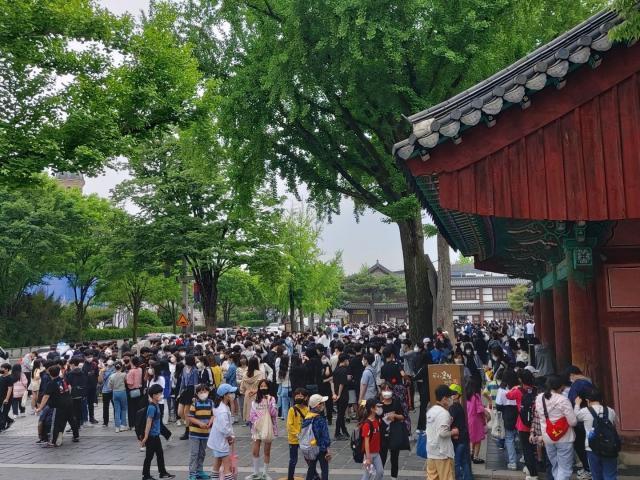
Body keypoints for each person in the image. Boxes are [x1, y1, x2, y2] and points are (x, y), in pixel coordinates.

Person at [532, 375, 577, 480]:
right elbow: (573, 421)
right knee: (564, 468)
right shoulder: (563, 400)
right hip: (564, 437)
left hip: (548, 436)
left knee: (555, 466)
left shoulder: (539, 398)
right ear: (561, 386)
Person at [574, 387, 619, 480]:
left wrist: (577, 404)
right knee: (610, 475)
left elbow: (575, 419)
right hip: (609, 446)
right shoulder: (610, 410)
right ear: (601, 399)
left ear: (587, 400)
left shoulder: (584, 411)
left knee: (596, 475)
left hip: (591, 447)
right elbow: (615, 422)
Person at [36, 364, 79, 447]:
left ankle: (52, 441)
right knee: (71, 419)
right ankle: (76, 436)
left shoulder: (51, 383)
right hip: (69, 402)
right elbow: (69, 388)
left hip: (58, 405)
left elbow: (46, 396)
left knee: (55, 423)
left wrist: (40, 408)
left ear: (49, 373)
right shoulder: (63, 380)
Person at [506, 369, 538, 480]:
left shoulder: (518, 391)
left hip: (523, 424)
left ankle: (533, 474)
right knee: (533, 448)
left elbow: (508, 395)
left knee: (526, 449)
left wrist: (514, 387)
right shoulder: (536, 390)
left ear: (520, 380)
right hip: (536, 424)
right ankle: (530, 468)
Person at [140, 384, 176, 480]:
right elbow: (148, 422)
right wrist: (146, 437)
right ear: (154, 395)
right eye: (159, 393)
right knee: (149, 456)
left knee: (159, 454)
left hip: (156, 435)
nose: (161, 395)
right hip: (151, 437)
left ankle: (162, 472)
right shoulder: (152, 407)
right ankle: (146, 475)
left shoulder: (156, 405)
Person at [426, 385, 457, 480]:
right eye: (449, 397)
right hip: (443, 454)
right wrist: (453, 432)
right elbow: (442, 433)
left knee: (432, 477)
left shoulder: (431, 411)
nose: (451, 399)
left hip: (431, 452)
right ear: (444, 399)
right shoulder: (444, 413)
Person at [248, 379, 277, 479]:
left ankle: (265, 473)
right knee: (255, 450)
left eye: (265, 386)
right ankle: (256, 472)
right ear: (259, 388)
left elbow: (274, 414)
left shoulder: (272, 399)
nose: (263, 388)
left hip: (268, 427)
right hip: (257, 428)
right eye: (261, 386)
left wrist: (269, 402)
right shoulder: (255, 400)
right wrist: (258, 422)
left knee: (267, 451)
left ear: (268, 387)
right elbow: (251, 415)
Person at [208, 383, 237, 480]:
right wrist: (230, 437)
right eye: (231, 393)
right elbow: (225, 428)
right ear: (225, 395)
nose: (233, 394)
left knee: (217, 464)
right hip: (221, 441)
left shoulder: (221, 407)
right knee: (227, 466)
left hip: (217, 441)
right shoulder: (223, 410)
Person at [378, 382, 407, 480]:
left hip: (394, 433)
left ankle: (394, 477)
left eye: (388, 389)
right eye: (384, 389)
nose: (386, 391)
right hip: (382, 435)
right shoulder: (378, 405)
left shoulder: (396, 402)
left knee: (394, 458)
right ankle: (379, 476)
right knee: (381, 457)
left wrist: (395, 416)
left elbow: (403, 416)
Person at [187, 384, 215, 480]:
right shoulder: (194, 404)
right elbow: (190, 417)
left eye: (205, 391)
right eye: (200, 392)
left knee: (202, 453)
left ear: (208, 392)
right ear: (197, 394)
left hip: (205, 433)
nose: (203, 394)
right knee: (194, 453)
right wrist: (199, 423)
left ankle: (199, 471)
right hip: (194, 433)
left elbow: (213, 415)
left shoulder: (211, 403)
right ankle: (192, 473)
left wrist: (210, 422)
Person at [302, 394, 332, 480]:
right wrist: (328, 449)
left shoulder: (307, 418)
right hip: (321, 448)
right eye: (322, 403)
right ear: (318, 405)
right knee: (324, 469)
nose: (324, 405)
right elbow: (325, 436)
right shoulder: (320, 419)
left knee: (311, 468)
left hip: (311, 447)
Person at [448, 383, 472, 480]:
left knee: (457, 462)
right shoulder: (460, 406)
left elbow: (449, 421)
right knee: (464, 461)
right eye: (450, 393)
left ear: (458, 395)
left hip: (457, 439)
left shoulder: (453, 407)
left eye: (453, 393)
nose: (451, 395)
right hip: (464, 438)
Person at [496, 369, 519, 470]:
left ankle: (513, 462)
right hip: (519, 413)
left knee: (509, 438)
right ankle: (525, 459)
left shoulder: (502, 389)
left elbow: (498, 405)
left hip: (508, 414)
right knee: (522, 437)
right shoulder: (519, 388)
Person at [286, 388, 309, 480]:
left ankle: (314, 475)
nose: (299, 397)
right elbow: (289, 425)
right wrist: (297, 433)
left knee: (309, 459)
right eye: (297, 395)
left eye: (301, 395)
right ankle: (290, 477)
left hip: (305, 438)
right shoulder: (292, 410)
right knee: (293, 460)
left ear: (306, 398)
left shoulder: (307, 409)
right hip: (294, 439)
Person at [361, 398, 384, 480]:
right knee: (367, 475)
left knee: (380, 472)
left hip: (377, 453)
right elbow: (366, 442)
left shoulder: (377, 420)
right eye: (377, 407)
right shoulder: (367, 424)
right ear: (372, 408)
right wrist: (367, 457)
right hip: (369, 454)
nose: (379, 408)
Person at [465, 377, 486, 464]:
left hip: (468, 419)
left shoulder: (465, 396)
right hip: (476, 420)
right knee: (478, 440)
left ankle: (471, 453)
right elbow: (479, 410)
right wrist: (485, 414)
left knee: (471, 438)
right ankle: (476, 457)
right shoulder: (476, 396)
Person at [240, 357, 265, 425]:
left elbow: (242, 388)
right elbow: (264, 385)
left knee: (249, 413)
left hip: (248, 394)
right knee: (258, 413)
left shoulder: (245, 374)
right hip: (257, 394)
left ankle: (252, 430)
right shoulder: (260, 373)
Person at [331, 353, 350, 440]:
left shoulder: (336, 369)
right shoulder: (343, 370)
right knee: (341, 414)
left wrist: (334, 394)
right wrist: (338, 394)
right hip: (342, 395)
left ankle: (344, 430)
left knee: (340, 413)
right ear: (345, 360)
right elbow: (341, 384)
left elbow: (333, 382)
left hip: (337, 394)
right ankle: (337, 433)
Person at [108, 361, 129, 432]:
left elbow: (109, 386)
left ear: (115, 367)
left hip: (115, 393)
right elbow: (127, 382)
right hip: (122, 392)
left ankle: (117, 427)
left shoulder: (111, 376)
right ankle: (123, 425)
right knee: (123, 409)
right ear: (121, 367)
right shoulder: (124, 375)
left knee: (117, 410)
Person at [99, 359, 115, 427]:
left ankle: (116, 420)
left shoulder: (116, 369)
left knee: (115, 406)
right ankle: (105, 422)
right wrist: (102, 372)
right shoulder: (103, 370)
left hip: (113, 390)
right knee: (106, 407)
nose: (109, 366)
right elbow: (100, 381)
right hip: (106, 390)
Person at [0, 363, 14, 431]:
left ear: (7, 369)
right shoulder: (1, 377)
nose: (1, 369)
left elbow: (10, 389)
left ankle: (2, 427)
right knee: (1, 412)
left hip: (6, 398)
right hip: (0, 397)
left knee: (4, 412)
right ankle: (10, 420)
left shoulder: (10, 378)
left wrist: (7, 399)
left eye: (2, 368)